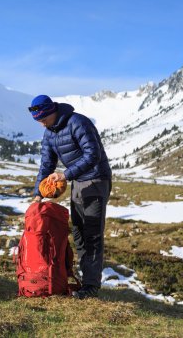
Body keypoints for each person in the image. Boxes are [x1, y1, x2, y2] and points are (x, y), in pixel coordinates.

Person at [29, 94, 112, 299]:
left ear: (51, 112)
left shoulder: (78, 123)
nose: (42, 125)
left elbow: (93, 155)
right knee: (77, 233)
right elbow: (46, 164)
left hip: (96, 180)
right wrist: (38, 194)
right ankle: (84, 282)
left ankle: (91, 286)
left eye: (43, 120)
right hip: (77, 182)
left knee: (92, 233)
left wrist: (65, 174)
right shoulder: (49, 132)